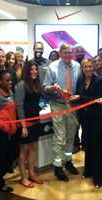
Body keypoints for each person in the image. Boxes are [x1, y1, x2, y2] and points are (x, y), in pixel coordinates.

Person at [43, 44, 81, 182]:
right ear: (60, 53)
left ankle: (68, 161)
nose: (68, 55)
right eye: (65, 52)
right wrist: (52, 88)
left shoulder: (77, 66)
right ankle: (58, 167)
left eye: (70, 52)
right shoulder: (52, 67)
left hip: (72, 106)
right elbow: (45, 87)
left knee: (71, 135)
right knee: (60, 137)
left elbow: (81, 86)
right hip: (58, 105)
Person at [15, 60, 43, 188]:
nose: (34, 72)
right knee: (24, 150)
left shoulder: (36, 84)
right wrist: (24, 126)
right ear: (27, 71)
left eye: (36, 69)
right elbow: (19, 106)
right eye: (31, 69)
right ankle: (23, 177)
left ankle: (31, 173)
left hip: (36, 120)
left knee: (33, 148)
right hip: (24, 123)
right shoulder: (21, 85)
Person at [76, 58, 102, 188]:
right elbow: (77, 96)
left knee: (97, 147)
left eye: (90, 66)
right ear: (82, 68)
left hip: (97, 118)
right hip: (84, 118)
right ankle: (88, 171)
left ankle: (98, 177)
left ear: (94, 67)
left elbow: (97, 99)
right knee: (87, 144)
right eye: (85, 67)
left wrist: (80, 98)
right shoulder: (80, 80)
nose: (88, 69)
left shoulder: (99, 81)